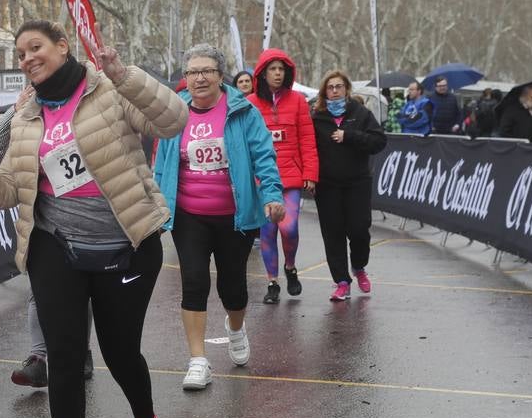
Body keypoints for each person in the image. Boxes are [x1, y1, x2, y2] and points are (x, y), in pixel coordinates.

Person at [0, 20, 186, 418]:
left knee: (120, 353)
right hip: (55, 248)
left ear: (63, 46)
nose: (26, 58)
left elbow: (172, 121)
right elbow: (6, 193)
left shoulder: (107, 90)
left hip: (125, 244)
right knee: (63, 357)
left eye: (35, 47)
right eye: (19, 53)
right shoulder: (24, 114)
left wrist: (125, 74)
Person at [153, 44, 284, 390]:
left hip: (235, 216)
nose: (199, 78)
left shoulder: (243, 111)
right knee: (194, 281)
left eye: (207, 71)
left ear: (219, 75)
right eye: (192, 72)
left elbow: (264, 158)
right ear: (186, 78)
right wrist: (155, 205)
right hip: (189, 215)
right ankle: (198, 361)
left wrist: (271, 195)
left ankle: (236, 328)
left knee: (232, 286)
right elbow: (161, 165)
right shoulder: (175, 113)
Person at [0, 98, 96, 389]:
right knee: (39, 292)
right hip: (43, 223)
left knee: (81, 294)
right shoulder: (27, 110)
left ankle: (81, 351)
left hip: (87, 220)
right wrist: (12, 114)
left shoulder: (88, 101)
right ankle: (38, 359)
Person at [247, 48, 318, 304]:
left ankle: (290, 267)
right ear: (263, 73)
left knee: (289, 228)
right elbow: (246, 144)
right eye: (273, 69)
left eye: (281, 69)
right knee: (267, 232)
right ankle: (272, 282)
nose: (277, 74)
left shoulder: (298, 101)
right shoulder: (251, 103)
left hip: (291, 177)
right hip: (262, 180)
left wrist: (310, 173)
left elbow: (308, 140)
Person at [311, 70, 387, 301]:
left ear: (347, 90)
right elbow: (309, 149)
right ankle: (342, 281)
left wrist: (350, 136)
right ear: (325, 92)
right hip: (327, 185)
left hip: (357, 183)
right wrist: (310, 177)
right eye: (330, 87)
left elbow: (378, 141)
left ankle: (359, 266)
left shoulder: (360, 113)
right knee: (332, 233)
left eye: (339, 86)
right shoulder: (317, 118)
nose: (334, 91)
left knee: (359, 230)